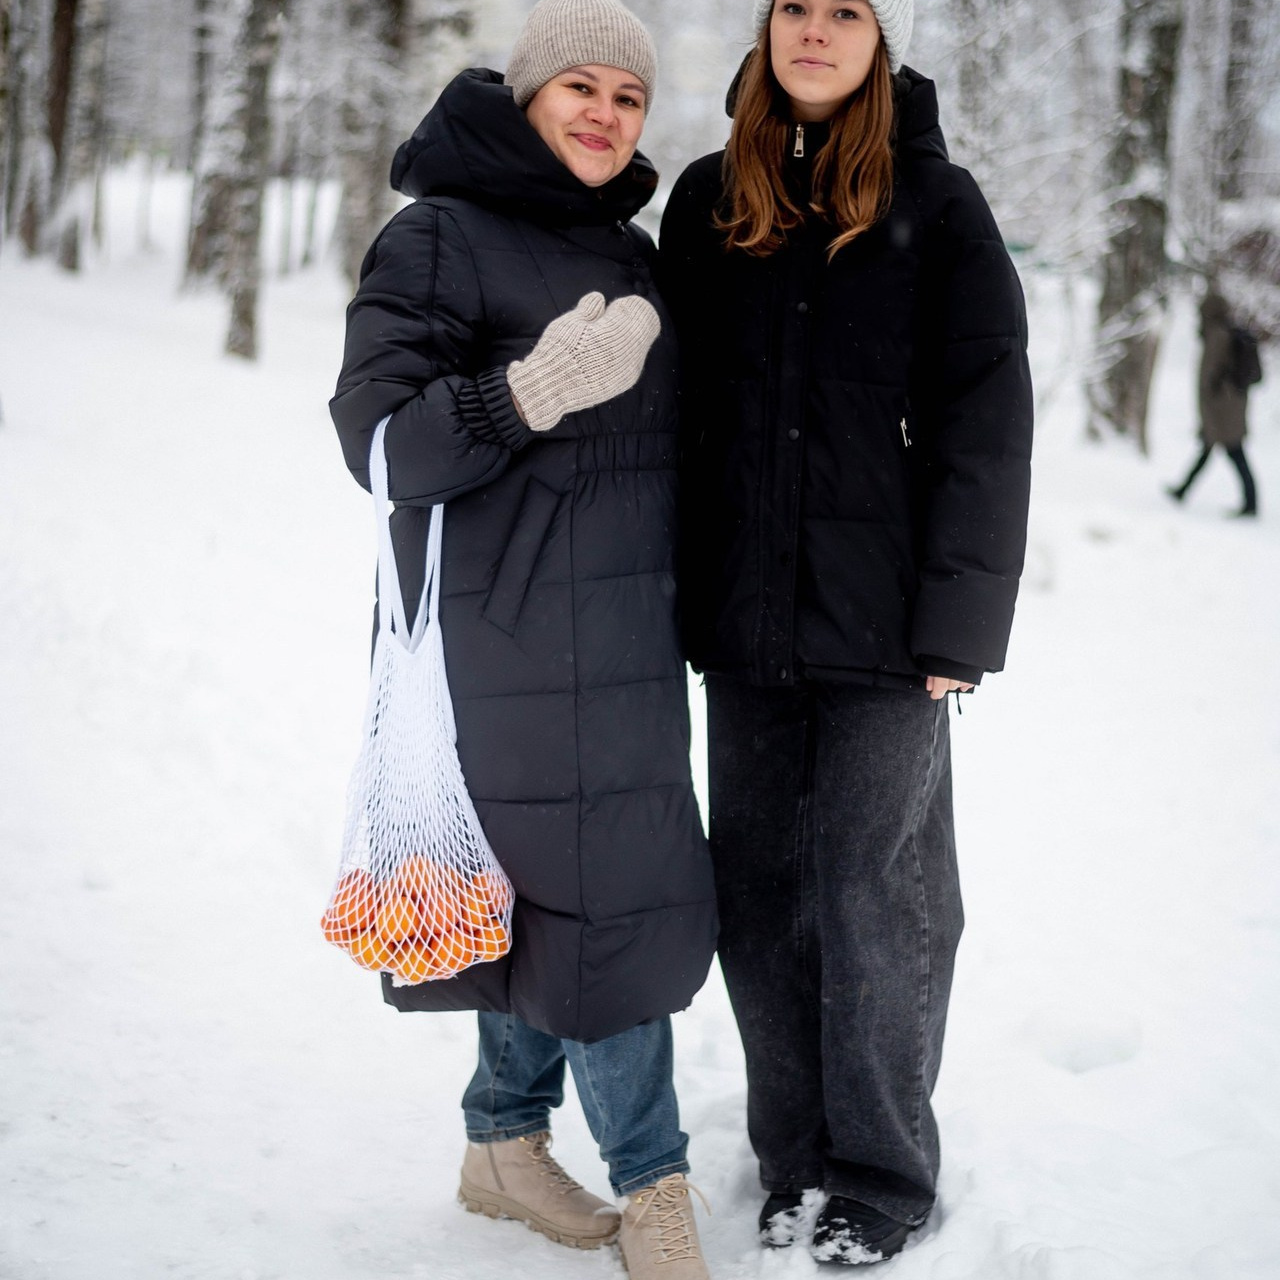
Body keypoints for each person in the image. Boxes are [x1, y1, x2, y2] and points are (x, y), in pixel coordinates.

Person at [330, 2, 717, 1274]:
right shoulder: (438, 235)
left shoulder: (627, 243)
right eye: (580, 88)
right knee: (605, 904)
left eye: (625, 94)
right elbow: (381, 447)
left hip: (621, 633)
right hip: (500, 643)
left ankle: (501, 1137)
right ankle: (654, 1189)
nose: (605, 113)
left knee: (554, 900)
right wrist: (528, 389)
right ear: (527, 95)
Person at [659, 0, 1032, 1265]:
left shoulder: (939, 204)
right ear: (764, 30)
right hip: (743, 621)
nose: (813, 32)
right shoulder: (710, 197)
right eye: (792, 9)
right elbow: (676, 418)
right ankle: (793, 1155)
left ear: (881, 36)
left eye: (845, 11)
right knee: (757, 900)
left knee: (876, 898)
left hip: (887, 638)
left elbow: (988, 428)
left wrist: (958, 627)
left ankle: (876, 1168)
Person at [1166, 289, 1259, 517]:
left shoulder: (1217, 335)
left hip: (1222, 409)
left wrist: (1208, 410)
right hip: (1229, 406)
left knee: (1234, 453)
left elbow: (1209, 377)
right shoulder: (1224, 332)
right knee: (1214, 451)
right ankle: (1183, 490)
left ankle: (1251, 504)